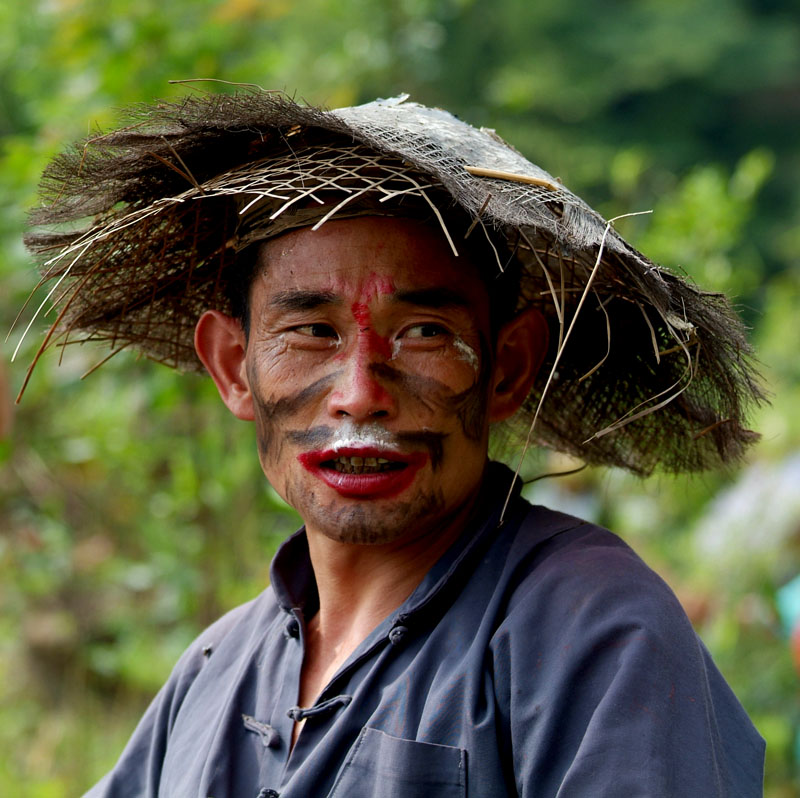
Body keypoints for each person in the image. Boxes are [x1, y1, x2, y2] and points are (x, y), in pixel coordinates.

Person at [19, 91, 765, 796]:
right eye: (311, 332)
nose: (359, 394)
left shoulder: (589, 626)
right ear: (232, 368)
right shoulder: (217, 671)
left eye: (424, 334)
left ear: (506, 368)